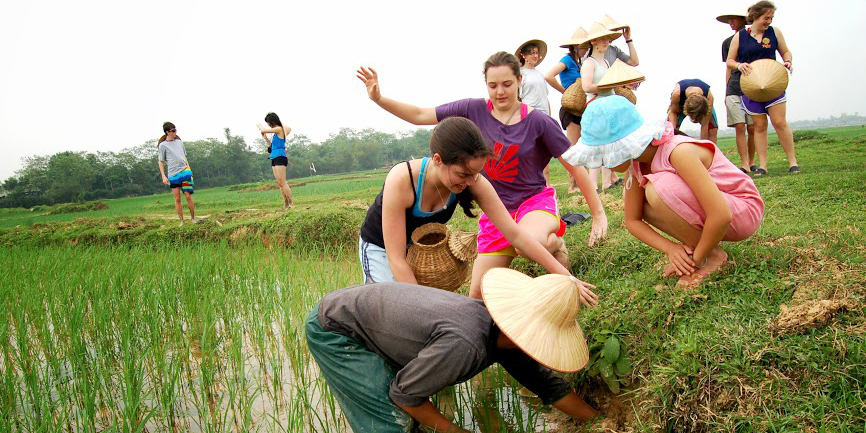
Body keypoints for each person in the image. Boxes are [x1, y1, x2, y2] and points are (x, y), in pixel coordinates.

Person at [357, 52, 608, 299]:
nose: (500, 91)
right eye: (493, 85)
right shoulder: (470, 113)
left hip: (532, 204)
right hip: (495, 213)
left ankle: (554, 248)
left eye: (507, 84)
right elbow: (420, 115)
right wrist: (379, 98)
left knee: (528, 241)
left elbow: (574, 166)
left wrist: (596, 215)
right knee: (476, 297)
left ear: (520, 81)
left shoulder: (537, 124)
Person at [305, 268, 599, 433]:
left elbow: (548, 385)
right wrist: (454, 430)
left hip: (374, 320)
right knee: (392, 423)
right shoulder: (466, 344)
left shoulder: (503, 336)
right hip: (336, 328)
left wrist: (598, 422)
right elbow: (404, 395)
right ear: (524, 333)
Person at [563, 96, 764, 288]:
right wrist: (671, 248)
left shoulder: (677, 152)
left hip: (742, 211)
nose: (603, 163)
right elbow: (632, 220)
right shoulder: (637, 166)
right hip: (717, 215)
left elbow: (721, 215)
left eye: (603, 156)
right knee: (643, 196)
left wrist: (696, 260)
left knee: (657, 188)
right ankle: (704, 250)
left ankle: (711, 256)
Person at [358, 117, 578, 289]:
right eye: (463, 174)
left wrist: (567, 277)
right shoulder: (402, 179)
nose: (471, 181)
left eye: (476, 173)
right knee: (391, 306)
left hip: (417, 250)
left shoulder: (473, 181)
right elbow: (396, 260)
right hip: (380, 248)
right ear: (437, 160)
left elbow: (516, 234)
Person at [726, 0, 798, 176]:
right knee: (759, 126)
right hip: (751, 88)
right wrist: (739, 65)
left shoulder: (775, 33)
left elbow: (786, 52)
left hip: (773, 84)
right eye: (766, 18)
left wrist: (787, 61)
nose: (769, 22)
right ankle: (763, 165)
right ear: (755, 16)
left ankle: (792, 162)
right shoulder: (740, 36)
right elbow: (730, 61)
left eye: (771, 18)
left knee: (780, 122)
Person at [581, 22, 639, 192]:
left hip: (610, 104)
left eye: (607, 38)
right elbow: (586, 87)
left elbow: (634, 62)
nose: (606, 42)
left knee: (609, 143)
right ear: (594, 42)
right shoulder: (589, 63)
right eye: (602, 39)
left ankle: (607, 182)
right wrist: (606, 86)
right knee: (596, 146)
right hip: (596, 106)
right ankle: (593, 186)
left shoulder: (606, 62)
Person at [545, 27, 590, 193]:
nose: (586, 48)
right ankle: (572, 185)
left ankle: (578, 183)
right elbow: (549, 75)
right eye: (583, 46)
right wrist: (565, 91)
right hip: (570, 109)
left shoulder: (580, 63)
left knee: (582, 145)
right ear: (575, 46)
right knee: (573, 148)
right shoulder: (568, 60)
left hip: (581, 108)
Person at [719, 9, 757, 173]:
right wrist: (726, 89)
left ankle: (752, 160)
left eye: (733, 19)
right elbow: (728, 67)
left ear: (743, 20)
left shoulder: (755, 39)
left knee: (753, 127)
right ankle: (745, 164)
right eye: (729, 20)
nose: (731, 22)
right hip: (734, 85)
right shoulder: (727, 42)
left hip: (752, 85)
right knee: (740, 126)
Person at [157, 122, 197, 226]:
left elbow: (185, 156)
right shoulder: (163, 145)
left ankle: (193, 219)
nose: (175, 132)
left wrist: (189, 168)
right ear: (167, 132)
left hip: (185, 171)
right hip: (173, 174)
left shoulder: (179, 142)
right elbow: (160, 161)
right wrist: (163, 176)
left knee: (188, 195)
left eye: (175, 130)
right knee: (177, 198)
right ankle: (182, 221)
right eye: (173, 131)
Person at [257, 112, 295, 208]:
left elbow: (264, 130)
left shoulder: (279, 129)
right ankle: (286, 204)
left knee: (283, 182)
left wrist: (259, 126)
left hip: (280, 157)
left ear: (272, 121)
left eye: (269, 122)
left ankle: (291, 203)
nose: (268, 125)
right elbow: (271, 146)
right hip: (274, 157)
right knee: (279, 183)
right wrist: (265, 138)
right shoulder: (275, 135)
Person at [666, 79, 719, 144]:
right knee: (669, 129)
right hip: (679, 104)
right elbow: (673, 112)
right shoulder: (677, 94)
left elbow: (705, 125)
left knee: (712, 129)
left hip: (703, 103)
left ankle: (711, 152)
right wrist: (672, 132)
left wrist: (704, 146)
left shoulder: (709, 98)